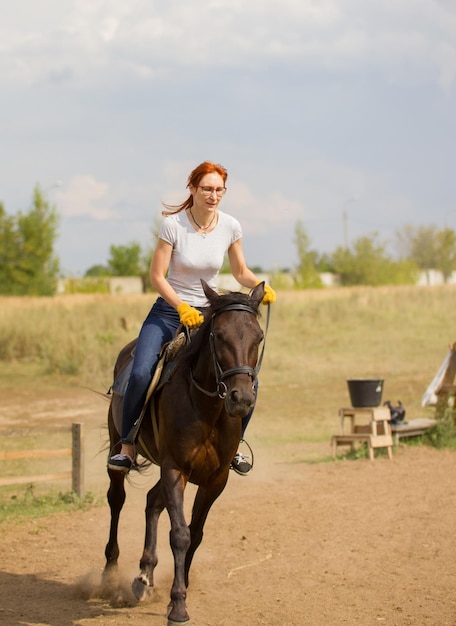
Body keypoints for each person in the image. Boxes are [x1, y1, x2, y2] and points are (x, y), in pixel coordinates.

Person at [108, 161, 276, 475]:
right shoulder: (173, 225)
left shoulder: (231, 226)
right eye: (207, 189)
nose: (213, 195)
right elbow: (157, 276)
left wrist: (259, 286)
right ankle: (128, 446)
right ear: (193, 189)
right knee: (143, 371)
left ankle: (235, 444)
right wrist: (181, 307)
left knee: (246, 377)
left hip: (210, 314)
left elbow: (240, 271)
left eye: (219, 190)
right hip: (168, 312)